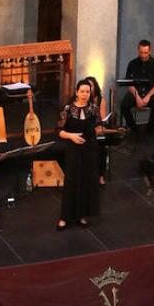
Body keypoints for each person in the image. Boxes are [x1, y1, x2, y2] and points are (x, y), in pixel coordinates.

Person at [55, 79, 100, 230]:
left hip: (89, 149)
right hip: (73, 149)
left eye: (88, 92)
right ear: (76, 92)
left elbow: (97, 127)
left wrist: (98, 129)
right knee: (71, 182)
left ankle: (82, 215)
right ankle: (64, 217)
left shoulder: (93, 109)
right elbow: (58, 131)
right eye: (82, 91)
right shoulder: (68, 109)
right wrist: (72, 136)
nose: (85, 94)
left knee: (86, 182)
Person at [118, 40, 154, 132]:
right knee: (124, 105)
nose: (143, 55)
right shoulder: (132, 64)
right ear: (138, 51)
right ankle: (133, 128)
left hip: (151, 92)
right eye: (141, 52)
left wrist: (148, 97)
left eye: (145, 52)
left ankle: (150, 130)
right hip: (136, 92)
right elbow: (130, 83)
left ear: (150, 51)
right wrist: (137, 97)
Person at [83, 75, 111, 185]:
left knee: (101, 147)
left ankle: (100, 175)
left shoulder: (100, 100)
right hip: (85, 127)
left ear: (95, 87)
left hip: (97, 126)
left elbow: (103, 119)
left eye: (91, 86)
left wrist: (98, 125)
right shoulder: (83, 98)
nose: (89, 88)